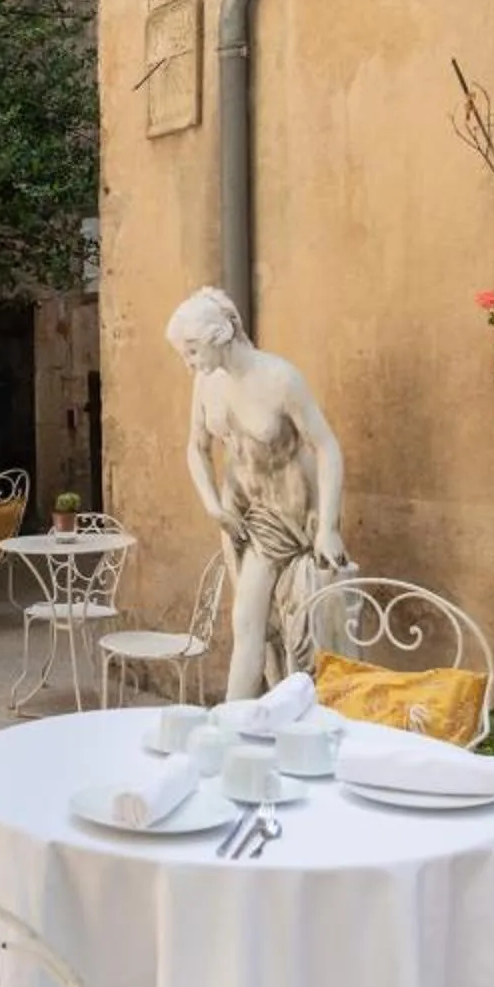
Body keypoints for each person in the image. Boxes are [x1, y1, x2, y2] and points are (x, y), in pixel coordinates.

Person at [169, 286, 348, 698]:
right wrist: (213, 506)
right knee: (256, 626)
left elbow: (327, 447)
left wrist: (329, 527)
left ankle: (240, 717)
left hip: (289, 512)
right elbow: (196, 447)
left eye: (192, 351)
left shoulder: (280, 378)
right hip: (240, 513)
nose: (188, 363)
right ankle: (257, 713)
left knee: (265, 623)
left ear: (218, 336)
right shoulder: (206, 383)